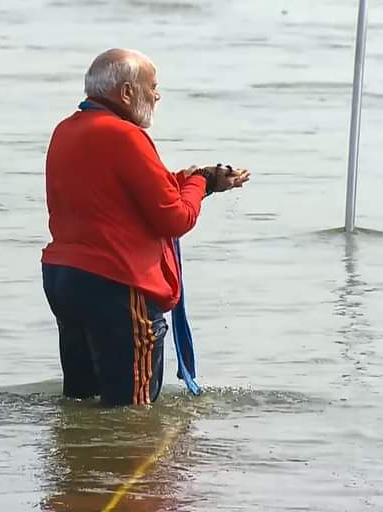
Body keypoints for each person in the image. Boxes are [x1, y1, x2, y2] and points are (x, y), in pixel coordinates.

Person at [41, 48, 250, 407]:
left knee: (81, 403)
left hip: (66, 281)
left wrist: (196, 180)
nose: (157, 96)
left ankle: (79, 463)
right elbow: (174, 218)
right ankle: (128, 464)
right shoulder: (126, 136)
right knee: (134, 415)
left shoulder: (66, 130)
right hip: (116, 284)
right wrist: (201, 183)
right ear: (125, 93)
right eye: (152, 87)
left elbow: (115, 193)